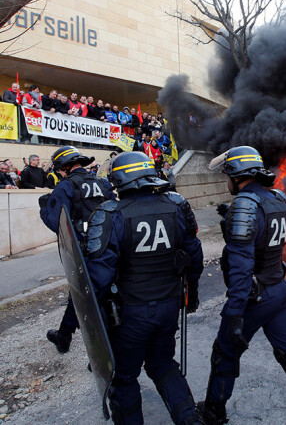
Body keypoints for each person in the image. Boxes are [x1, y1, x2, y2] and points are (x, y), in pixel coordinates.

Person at [199, 146, 286, 425]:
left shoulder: (244, 204)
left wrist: (233, 313)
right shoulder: (277, 198)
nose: (226, 181)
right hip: (278, 289)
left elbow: (241, 266)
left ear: (236, 175)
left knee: (224, 353)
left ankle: (213, 414)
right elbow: (270, 236)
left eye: (227, 174)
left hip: (253, 296)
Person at [84, 151, 204, 424]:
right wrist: (191, 293)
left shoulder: (110, 214)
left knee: (124, 377)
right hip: (169, 305)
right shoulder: (176, 205)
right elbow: (194, 256)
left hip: (130, 313)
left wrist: (96, 321)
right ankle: (190, 420)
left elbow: (98, 278)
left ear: (120, 179)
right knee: (163, 365)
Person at [39, 146, 115, 354]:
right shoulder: (103, 183)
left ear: (64, 167)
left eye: (58, 169)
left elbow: (57, 223)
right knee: (92, 294)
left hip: (84, 252)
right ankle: (64, 335)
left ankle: (103, 354)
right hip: (109, 248)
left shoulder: (65, 187)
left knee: (88, 297)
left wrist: (44, 208)